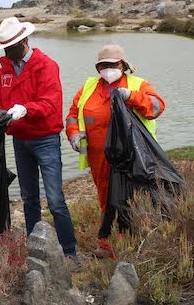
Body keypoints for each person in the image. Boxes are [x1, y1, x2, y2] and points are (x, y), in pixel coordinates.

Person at [0, 17, 77, 258]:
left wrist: (26, 109)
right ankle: (36, 248)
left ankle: (70, 252)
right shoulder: (5, 69)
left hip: (45, 139)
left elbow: (50, 103)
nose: (8, 52)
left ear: (25, 40)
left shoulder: (46, 66)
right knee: (29, 198)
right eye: (6, 48)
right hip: (20, 139)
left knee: (55, 200)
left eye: (12, 47)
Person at [65, 44, 165, 259]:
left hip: (132, 157)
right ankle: (107, 244)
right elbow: (73, 114)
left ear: (122, 65)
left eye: (112, 65)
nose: (107, 69)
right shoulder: (88, 87)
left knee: (131, 198)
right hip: (99, 156)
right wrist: (73, 134)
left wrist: (131, 96)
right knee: (106, 198)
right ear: (97, 67)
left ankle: (132, 242)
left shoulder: (137, 84)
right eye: (103, 65)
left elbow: (157, 108)